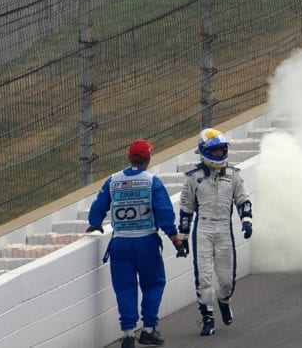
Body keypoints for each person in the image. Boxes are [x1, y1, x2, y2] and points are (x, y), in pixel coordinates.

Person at [87, 139, 188, 348]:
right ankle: (149, 329)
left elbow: (99, 205)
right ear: (148, 159)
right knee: (154, 284)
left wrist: (94, 223)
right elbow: (164, 212)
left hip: (120, 243)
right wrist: (175, 239)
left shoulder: (113, 181)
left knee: (124, 288)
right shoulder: (152, 181)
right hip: (146, 241)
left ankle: (128, 334)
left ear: (128, 157)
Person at [178, 128, 253, 336]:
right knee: (204, 278)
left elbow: (243, 199)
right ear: (204, 151)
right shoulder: (193, 178)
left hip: (224, 229)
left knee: (227, 280)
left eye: (222, 150)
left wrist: (247, 221)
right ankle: (207, 317)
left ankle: (224, 300)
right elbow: (186, 209)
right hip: (202, 229)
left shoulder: (234, 174)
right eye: (216, 150)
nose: (220, 154)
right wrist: (182, 238)